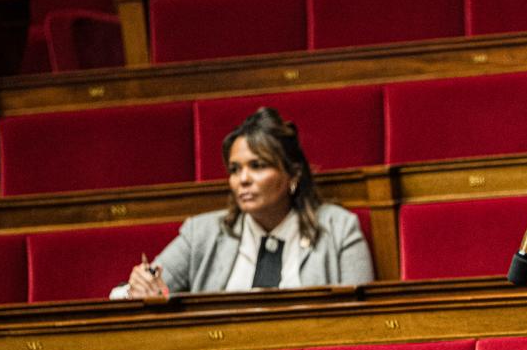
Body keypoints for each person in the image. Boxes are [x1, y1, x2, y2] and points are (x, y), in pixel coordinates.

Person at [111, 107, 375, 299]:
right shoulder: (201, 234)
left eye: (257, 166)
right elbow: (134, 293)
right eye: (235, 170)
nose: (243, 180)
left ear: (292, 174)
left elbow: (362, 315)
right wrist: (139, 290)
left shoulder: (339, 229)